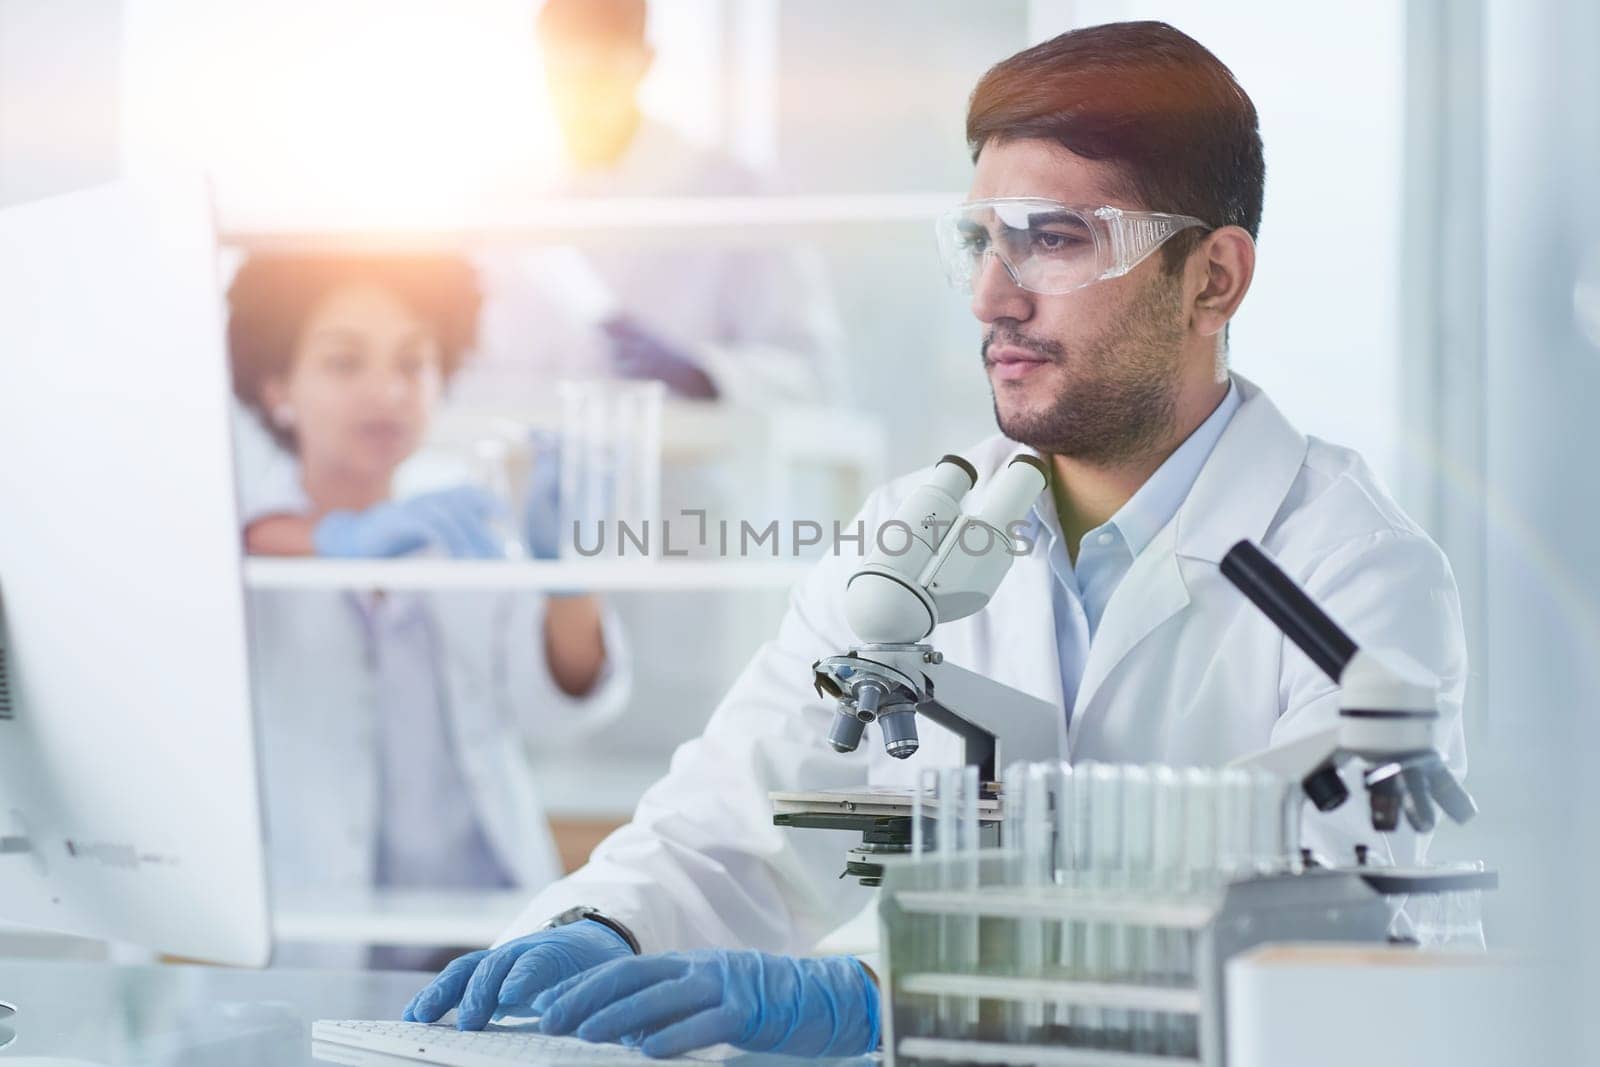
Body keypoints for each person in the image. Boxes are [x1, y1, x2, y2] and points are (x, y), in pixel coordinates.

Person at [403, 22, 1468, 1057]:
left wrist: (881, 987)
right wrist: (602, 925)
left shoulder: (1352, 573)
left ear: (1212, 278)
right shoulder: (911, 539)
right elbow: (738, 815)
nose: (991, 296)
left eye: (1054, 239)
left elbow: (1318, 922)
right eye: (979, 241)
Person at [227, 254, 631, 968]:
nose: (386, 390)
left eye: (414, 361)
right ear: (276, 385)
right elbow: (224, 555)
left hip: (487, 929)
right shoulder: (233, 532)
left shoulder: (466, 524)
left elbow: (557, 709)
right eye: (344, 361)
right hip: (314, 942)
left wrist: (572, 582)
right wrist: (340, 541)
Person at [453, 0, 844, 408]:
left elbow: (816, 377)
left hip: (688, 467)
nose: (579, 97)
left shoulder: (734, 192)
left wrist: (700, 373)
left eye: (599, 73)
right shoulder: (513, 202)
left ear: (645, 62)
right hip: (543, 462)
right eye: (563, 73)